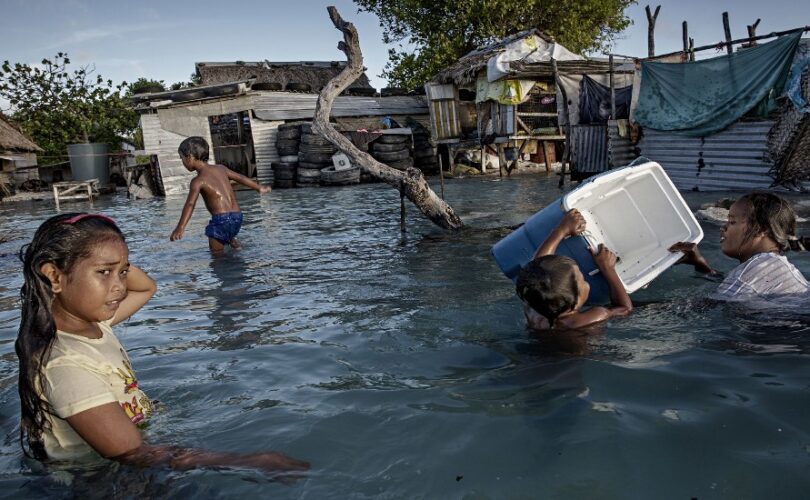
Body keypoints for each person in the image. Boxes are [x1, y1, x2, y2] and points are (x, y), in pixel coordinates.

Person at [17, 213, 309, 474]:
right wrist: (244, 461)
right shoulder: (66, 366)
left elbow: (147, 287)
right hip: (96, 480)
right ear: (54, 276)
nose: (119, 285)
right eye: (103, 272)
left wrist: (113, 258)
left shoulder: (95, 325)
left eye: (123, 271)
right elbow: (131, 453)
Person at [670, 192, 809, 302]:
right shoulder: (769, 266)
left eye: (732, 221)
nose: (723, 227)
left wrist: (649, 308)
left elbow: (702, 306)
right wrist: (702, 266)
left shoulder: (753, 271)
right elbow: (738, 286)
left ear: (762, 230)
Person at [516, 209, 633, 330]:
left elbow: (537, 267)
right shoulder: (592, 317)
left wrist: (561, 230)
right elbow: (625, 309)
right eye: (583, 279)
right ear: (575, 301)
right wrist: (608, 269)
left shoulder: (533, 305)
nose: (586, 282)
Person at [170, 136, 271, 253]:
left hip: (221, 220)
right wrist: (258, 187)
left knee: (217, 257)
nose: (182, 162)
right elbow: (240, 177)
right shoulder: (221, 168)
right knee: (229, 237)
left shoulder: (198, 181)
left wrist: (180, 227)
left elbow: (191, 204)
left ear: (190, 157)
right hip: (237, 217)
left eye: (181, 158)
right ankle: (235, 245)